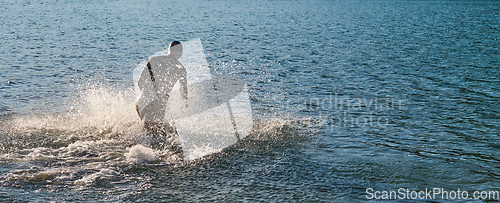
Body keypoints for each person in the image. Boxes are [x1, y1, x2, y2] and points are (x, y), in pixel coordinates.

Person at [136, 41, 188, 138]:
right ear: (180, 53)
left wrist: (148, 95)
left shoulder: (154, 60)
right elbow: (183, 91)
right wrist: (185, 102)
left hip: (141, 100)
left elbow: (140, 82)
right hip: (157, 103)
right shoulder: (181, 69)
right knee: (154, 136)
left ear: (169, 50)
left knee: (147, 131)